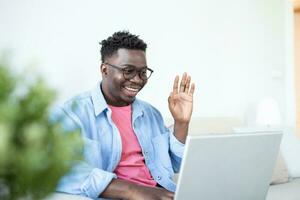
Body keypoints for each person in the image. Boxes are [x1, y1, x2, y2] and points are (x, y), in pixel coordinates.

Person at [53, 31, 195, 200]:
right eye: (128, 71)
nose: (137, 80)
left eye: (143, 72)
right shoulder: (73, 113)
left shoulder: (151, 114)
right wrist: (133, 191)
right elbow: (61, 169)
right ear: (105, 70)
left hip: (162, 194)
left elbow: (172, 166)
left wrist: (181, 123)